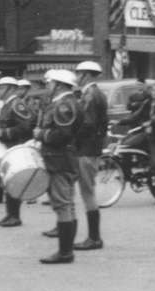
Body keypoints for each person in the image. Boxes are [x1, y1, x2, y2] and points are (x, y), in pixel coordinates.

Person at [35, 70, 83, 265]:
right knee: (68, 204)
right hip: (66, 158)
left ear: (59, 85)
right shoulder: (70, 102)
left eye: (50, 83)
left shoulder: (63, 105)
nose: (48, 86)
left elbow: (62, 134)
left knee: (63, 205)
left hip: (59, 159)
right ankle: (66, 250)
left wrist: (41, 134)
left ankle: (65, 253)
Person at [118, 80, 155, 205]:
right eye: (154, 90)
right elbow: (136, 115)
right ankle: (128, 174)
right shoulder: (148, 102)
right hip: (147, 134)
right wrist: (121, 121)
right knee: (126, 146)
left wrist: (150, 122)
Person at [74, 61, 109, 248]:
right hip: (91, 147)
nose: (76, 77)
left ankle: (94, 238)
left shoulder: (90, 95)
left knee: (88, 193)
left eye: (78, 74)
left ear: (86, 75)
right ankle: (93, 237)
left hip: (86, 149)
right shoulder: (96, 93)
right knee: (87, 192)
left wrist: (72, 137)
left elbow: (86, 124)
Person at [0, 77, 35, 227]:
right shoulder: (7, 104)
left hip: (15, 147)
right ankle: (10, 214)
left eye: (2, 87)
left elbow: (26, 126)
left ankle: (14, 216)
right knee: (7, 181)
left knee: (13, 181)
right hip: (7, 148)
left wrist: (4, 133)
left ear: (10, 88)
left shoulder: (17, 104)